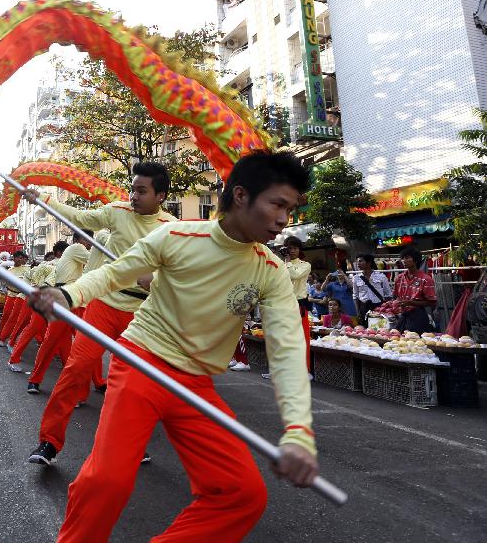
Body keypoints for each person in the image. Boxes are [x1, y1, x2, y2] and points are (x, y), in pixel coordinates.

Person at [28, 150, 318, 541]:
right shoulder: (177, 235)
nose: (285, 219)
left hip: (196, 384)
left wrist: (299, 432)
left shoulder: (271, 270)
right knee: (108, 481)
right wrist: (67, 294)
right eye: (278, 204)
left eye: (291, 208)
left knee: (242, 494)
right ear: (240, 196)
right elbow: (114, 273)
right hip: (142, 363)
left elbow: (286, 352)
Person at [25, 162, 176, 465]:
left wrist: (156, 279)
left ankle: (132, 443)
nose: (133, 196)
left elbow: (180, 273)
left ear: (160, 195)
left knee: (135, 385)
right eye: (133, 189)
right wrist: (45, 200)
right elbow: (80, 217)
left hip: (143, 315)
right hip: (104, 305)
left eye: (142, 191)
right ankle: (49, 442)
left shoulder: (172, 229)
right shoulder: (118, 211)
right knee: (74, 370)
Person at [27, 232, 93, 394]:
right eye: (87, 239)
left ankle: (93, 384)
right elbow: (97, 261)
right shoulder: (77, 248)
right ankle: (35, 380)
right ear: (76, 240)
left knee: (75, 344)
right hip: (66, 299)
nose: (90, 243)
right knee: (64, 342)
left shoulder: (74, 257)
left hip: (75, 298)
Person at [7, 249, 58, 372]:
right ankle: (12, 350)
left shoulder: (57, 264)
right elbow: (33, 274)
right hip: (38, 297)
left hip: (57, 301)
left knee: (54, 331)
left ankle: (63, 360)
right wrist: (36, 285)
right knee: (28, 326)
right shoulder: (52, 266)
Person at [279, 235, 312, 375]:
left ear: (299, 250)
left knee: (301, 339)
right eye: (289, 248)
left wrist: (286, 261)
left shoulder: (305, 265)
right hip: (282, 304)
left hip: (298, 305)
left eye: (294, 248)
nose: (291, 251)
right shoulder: (280, 264)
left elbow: (294, 275)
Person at [390, 246, 437, 332]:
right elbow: (395, 296)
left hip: (418, 316)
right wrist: (395, 303)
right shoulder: (399, 278)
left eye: (407, 258)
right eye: (402, 258)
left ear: (415, 260)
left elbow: (432, 302)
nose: (403, 261)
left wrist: (411, 303)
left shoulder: (426, 279)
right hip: (403, 316)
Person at [0, 250, 30, 345]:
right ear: (14, 258)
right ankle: (1, 334)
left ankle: (6, 338)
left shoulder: (27, 270)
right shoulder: (9, 271)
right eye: (18, 257)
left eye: (21, 258)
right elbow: (4, 284)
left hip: (21, 296)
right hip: (11, 295)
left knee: (16, 318)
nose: (20, 259)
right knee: (6, 315)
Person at [352, 253, 392, 321]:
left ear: (369, 263)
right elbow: (355, 296)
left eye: (361, 261)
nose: (358, 263)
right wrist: (358, 312)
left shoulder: (381, 276)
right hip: (364, 307)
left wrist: (387, 310)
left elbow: (388, 294)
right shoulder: (356, 278)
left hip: (379, 308)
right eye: (357, 261)